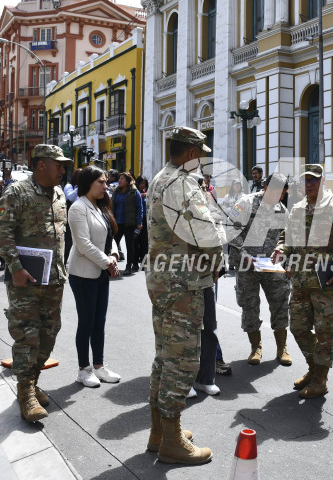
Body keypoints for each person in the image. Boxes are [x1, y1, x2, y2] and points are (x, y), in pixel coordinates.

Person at [145, 127, 221, 465]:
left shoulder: (161, 177)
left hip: (163, 279)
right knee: (182, 359)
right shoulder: (184, 182)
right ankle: (171, 442)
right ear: (190, 153)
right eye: (201, 153)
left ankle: (159, 431)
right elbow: (205, 233)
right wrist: (217, 263)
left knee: (165, 354)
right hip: (183, 283)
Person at [0, 144, 72, 423]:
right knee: (27, 333)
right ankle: (25, 390)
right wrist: (15, 268)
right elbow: (3, 232)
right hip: (25, 278)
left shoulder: (60, 193)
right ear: (41, 165)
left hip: (54, 278)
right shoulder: (17, 192)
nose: (63, 169)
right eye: (58, 164)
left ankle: (32, 380)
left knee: (50, 331)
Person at [272, 164, 333, 399]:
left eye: (314, 180)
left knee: (324, 333)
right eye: (306, 180)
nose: (309, 184)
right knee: (299, 329)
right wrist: (282, 250)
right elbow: (287, 237)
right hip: (300, 282)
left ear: (324, 181)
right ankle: (314, 369)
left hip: (326, 284)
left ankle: (321, 379)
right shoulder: (298, 209)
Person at [67, 166, 121, 388]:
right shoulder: (78, 208)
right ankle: (84, 369)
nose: (105, 186)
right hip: (83, 274)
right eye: (101, 181)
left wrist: (115, 254)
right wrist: (108, 262)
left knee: (99, 322)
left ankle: (99, 366)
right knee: (86, 322)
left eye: (105, 182)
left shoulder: (99, 207)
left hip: (100, 273)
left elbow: (108, 235)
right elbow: (84, 244)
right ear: (89, 182)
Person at [230, 173, 292, 366]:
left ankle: (282, 348)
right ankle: (255, 347)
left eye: (282, 194)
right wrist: (243, 254)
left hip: (271, 266)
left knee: (280, 303)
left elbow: (286, 239)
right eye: (275, 192)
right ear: (265, 188)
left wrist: (284, 257)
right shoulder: (246, 203)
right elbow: (231, 231)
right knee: (249, 306)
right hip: (247, 265)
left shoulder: (283, 211)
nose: (278, 197)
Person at [188, 177, 227, 397]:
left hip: (207, 276)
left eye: (204, 187)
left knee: (209, 328)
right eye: (199, 187)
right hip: (186, 278)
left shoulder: (212, 209)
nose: (203, 190)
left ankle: (206, 378)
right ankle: (185, 380)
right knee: (187, 330)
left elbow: (220, 237)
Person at [111, 172, 144, 275]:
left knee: (130, 246)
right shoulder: (116, 191)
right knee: (113, 244)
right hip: (117, 222)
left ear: (127, 182)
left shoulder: (134, 192)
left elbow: (140, 208)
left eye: (122, 179)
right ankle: (112, 265)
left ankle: (128, 266)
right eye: (119, 179)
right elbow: (112, 206)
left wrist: (139, 222)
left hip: (129, 223)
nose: (119, 180)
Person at [0, 168, 15, 271]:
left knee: (12, 239)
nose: (7, 170)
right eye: (5, 168)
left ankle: (11, 262)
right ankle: (2, 262)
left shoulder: (15, 183)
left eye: (9, 167)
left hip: (13, 213)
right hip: (0, 213)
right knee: (1, 238)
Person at [63, 168, 82, 264]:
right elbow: (71, 197)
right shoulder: (69, 186)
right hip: (70, 216)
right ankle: (65, 260)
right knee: (68, 240)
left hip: (81, 215)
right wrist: (79, 187)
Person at [135, 176, 149, 264]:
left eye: (144, 183)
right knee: (136, 240)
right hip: (137, 218)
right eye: (141, 183)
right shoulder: (135, 192)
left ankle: (143, 259)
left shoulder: (145, 192)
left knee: (144, 240)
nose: (143, 185)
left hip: (145, 218)